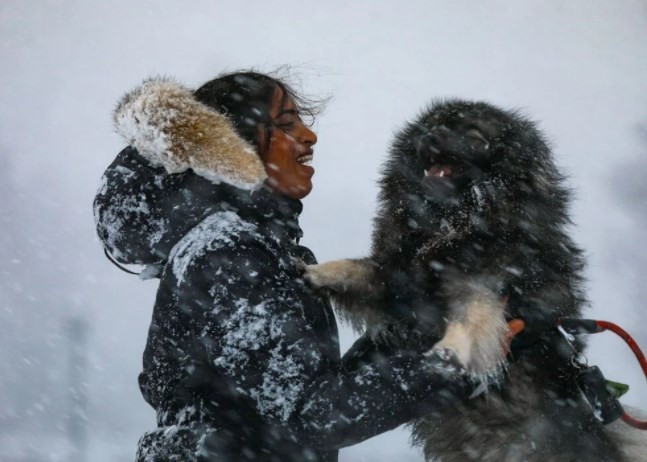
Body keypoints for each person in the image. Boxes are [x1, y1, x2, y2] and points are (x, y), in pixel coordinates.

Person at [93, 71, 521, 462]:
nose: (309, 135)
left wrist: (435, 334)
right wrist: (454, 363)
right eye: (285, 124)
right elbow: (316, 416)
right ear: (233, 147)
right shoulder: (229, 253)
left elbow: (309, 394)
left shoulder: (249, 247)